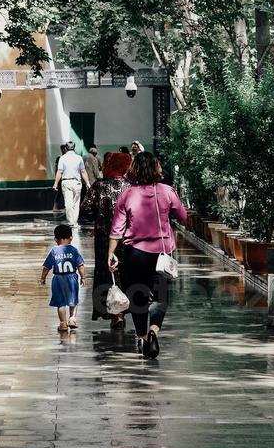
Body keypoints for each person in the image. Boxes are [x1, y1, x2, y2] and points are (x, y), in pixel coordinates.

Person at [108, 151, 186, 358]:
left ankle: (142, 337)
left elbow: (117, 228)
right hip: (162, 253)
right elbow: (183, 216)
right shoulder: (168, 191)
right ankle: (154, 332)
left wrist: (111, 253)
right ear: (155, 168)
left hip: (135, 253)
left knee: (138, 297)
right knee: (160, 296)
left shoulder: (127, 194)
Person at [85, 151, 133, 327]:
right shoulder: (131, 186)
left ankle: (114, 313)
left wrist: (99, 219)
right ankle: (124, 311)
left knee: (107, 273)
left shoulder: (99, 186)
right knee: (126, 273)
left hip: (105, 240)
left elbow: (86, 211)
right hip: (128, 238)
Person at [39, 223, 85, 332]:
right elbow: (80, 265)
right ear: (71, 238)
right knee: (73, 299)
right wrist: (83, 277)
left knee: (61, 303)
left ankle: (63, 323)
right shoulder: (73, 250)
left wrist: (43, 278)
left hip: (58, 279)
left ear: (55, 239)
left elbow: (47, 266)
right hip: (72, 278)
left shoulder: (54, 251)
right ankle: (72, 319)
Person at [53, 141, 87, 227]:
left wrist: (55, 184)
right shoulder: (79, 158)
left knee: (68, 204)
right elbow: (83, 171)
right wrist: (88, 183)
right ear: (74, 148)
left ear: (66, 148)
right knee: (76, 204)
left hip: (66, 182)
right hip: (77, 183)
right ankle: (74, 222)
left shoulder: (62, 158)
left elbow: (59, 171)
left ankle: (71, 222)